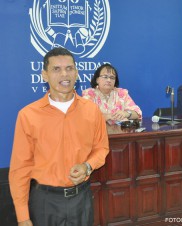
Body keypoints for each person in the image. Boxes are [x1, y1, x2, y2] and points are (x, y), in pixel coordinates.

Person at [9, 47, 109, 226]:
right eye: (56, 69)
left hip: (82, 199)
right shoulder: (28, 115)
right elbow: (20, 169)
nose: (65, 74)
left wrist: (87, 166)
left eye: (69, 68)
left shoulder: (92, 110)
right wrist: (23, 217)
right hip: (44, 202)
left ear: (77, 73)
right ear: (44, 75)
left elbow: (101, 148)